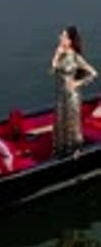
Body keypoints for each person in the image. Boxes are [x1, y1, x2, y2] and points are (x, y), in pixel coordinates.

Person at [50, 25, 98, 157]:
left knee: (72, 123)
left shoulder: (75, 57)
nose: (60, 37)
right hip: (61, 95)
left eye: (63, 36)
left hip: (72, 96)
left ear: (70, 41)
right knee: (60, 123)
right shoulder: (60, 54)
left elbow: (93, 73)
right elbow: (52, 71)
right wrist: (56, 54)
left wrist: (78, 83)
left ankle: (76, 150)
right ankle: (61, 151)